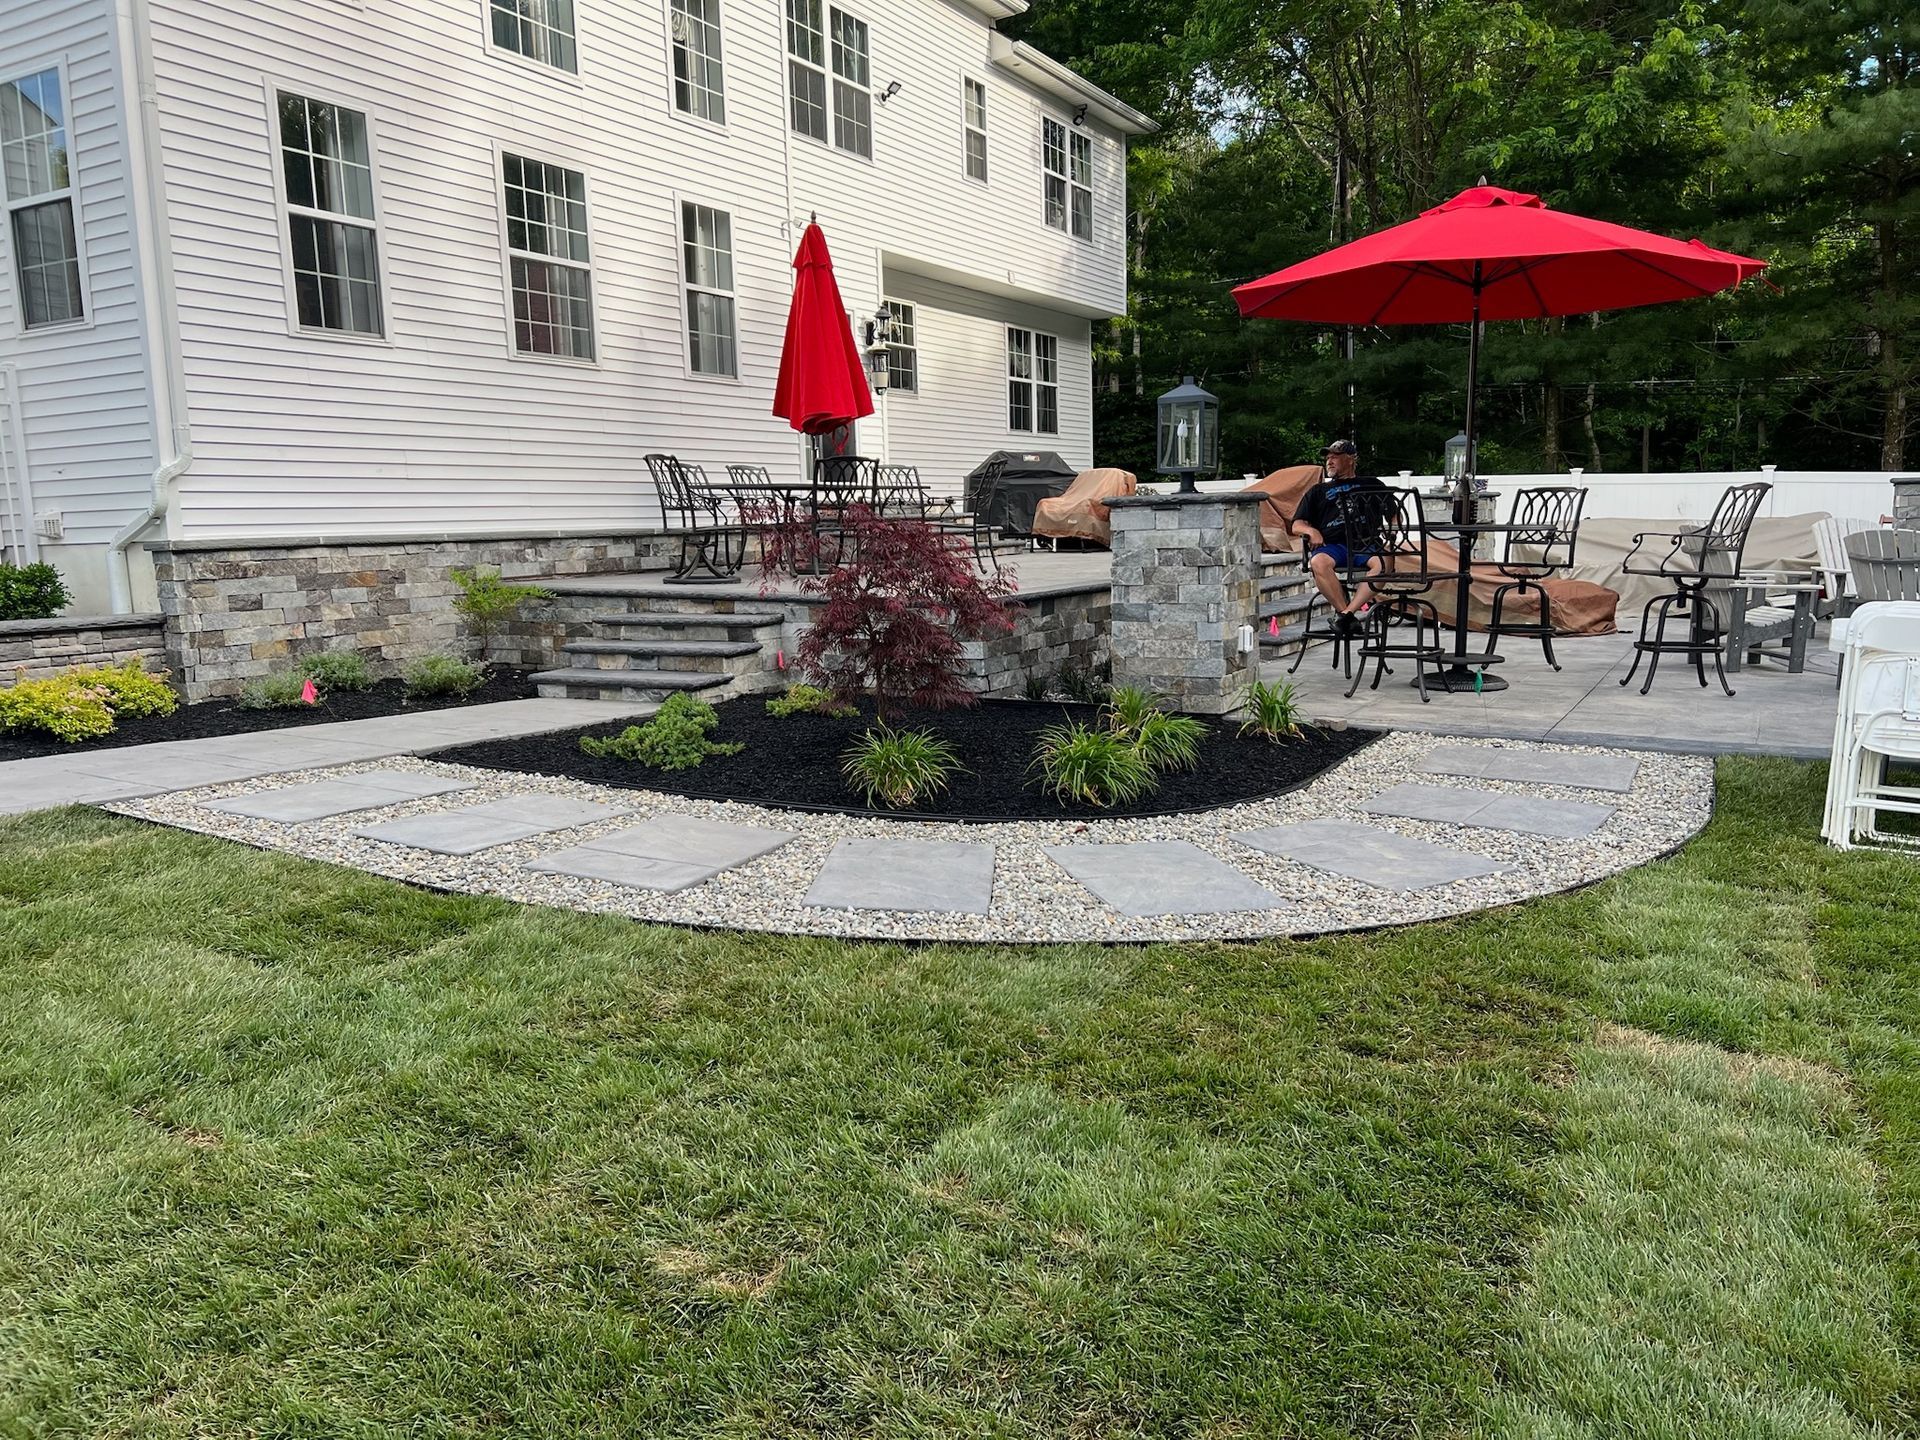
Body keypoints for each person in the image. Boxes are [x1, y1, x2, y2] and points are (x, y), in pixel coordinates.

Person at [1290, 440, 1391, 628]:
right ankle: (1348, 618)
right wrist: (1311, 530)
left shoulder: (1372, 484)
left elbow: (1394, 516)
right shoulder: (1318, 490)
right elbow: (1296, 525)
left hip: (1366, 543)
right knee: (1318, 563)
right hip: (1333, 545)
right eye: (1328, 457)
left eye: (1335, 457)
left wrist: (1394, 538)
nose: (1329, 461)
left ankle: (1345, 615)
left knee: (1384, 564)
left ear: (1351, 459)